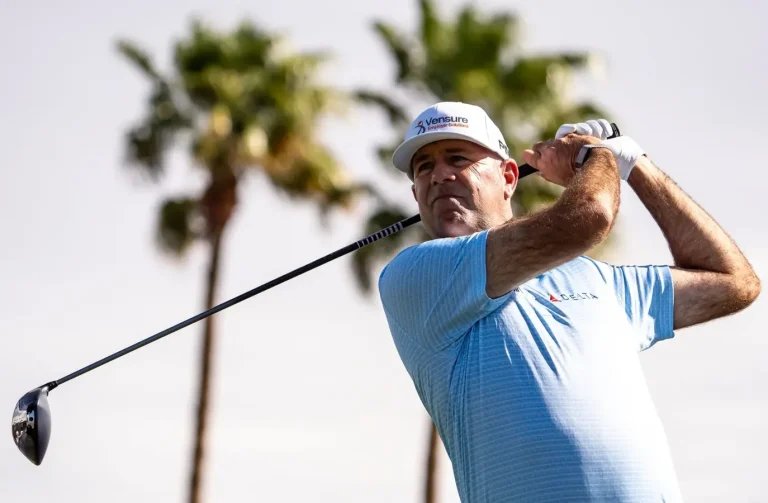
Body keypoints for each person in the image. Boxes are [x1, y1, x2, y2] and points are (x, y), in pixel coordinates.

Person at [377, 101, 761, 502]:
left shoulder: (597, 279)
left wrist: (635, 165)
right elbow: (591, 214)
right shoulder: (417, 276)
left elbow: (733, 281)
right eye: (424, 167)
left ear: (510, 177)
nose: (439, 175)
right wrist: (596, 156)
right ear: (416, 193)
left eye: (458, 158)